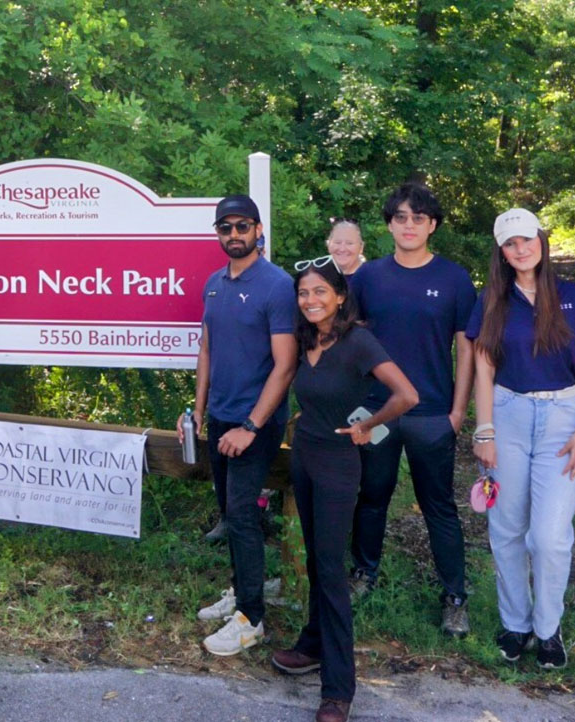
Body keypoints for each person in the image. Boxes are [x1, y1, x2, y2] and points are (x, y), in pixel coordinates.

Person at [271, 256, 417, 722]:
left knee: (331, 570)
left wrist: (369, 425)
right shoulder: (305, 339)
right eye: (303, 293)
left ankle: (338, 689)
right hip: (304, 457)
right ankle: (312, 644)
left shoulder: (358, 341)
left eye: (319, 292)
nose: (310, 300)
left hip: (337, 464)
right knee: (316, 559)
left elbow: (407, 395)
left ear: (339, 297)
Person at [468, 208, 575, 669]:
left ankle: (548, 628)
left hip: (563, 418)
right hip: (507, 415)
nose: (519, 249)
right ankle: (516, 625)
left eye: (526, 239)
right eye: (510, 243)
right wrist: (483, 430)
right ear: (501, 252)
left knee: (548, 536)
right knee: (506, 529)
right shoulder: (492, 300)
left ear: (540, 241)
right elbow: (483, 367)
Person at [346, 183, 476, 637]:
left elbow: (466, 348)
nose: (408, 225)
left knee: (438, 504)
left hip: (431, 413)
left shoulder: (455, 279)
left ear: (432, 225)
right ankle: (363, 574)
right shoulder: (368, 279)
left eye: (418, 218)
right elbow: (349, 340)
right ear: (389, 225)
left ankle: (455, 597)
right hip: (377, 412)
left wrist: (458, 412)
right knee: (372, 496)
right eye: (400, 217)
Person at [180, 195, 295, 657]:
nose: (233, 235)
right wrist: (197, 409)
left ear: (258, 229)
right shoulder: (213, 284)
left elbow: (285, 366)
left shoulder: (277, 285)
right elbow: (206, 349)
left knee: (244, 515)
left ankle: (252, 618)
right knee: (231, 514)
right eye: (225, 227)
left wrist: (251, 424)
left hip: (257, 421)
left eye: (241, 226)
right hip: (223, 416)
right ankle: (241, 591)